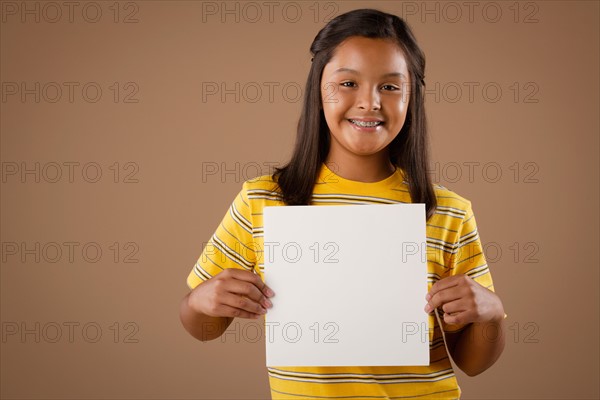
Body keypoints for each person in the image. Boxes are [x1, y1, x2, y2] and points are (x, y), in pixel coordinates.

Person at [180, 8, 506, 399]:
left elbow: (474, 362)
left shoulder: (447, 211)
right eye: (348, 82)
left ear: (412, 97)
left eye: (390, 87)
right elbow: (202, 328)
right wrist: (203, 301)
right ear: (318, 89)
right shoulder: (262, 200)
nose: (369, 103)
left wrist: (490, 310)